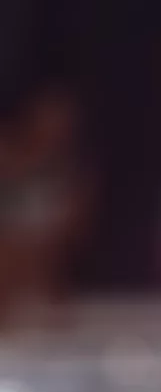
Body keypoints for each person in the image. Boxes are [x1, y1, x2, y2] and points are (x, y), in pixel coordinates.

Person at [0, 81, 94, 315]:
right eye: (50, 115)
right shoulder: (6, 155)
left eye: (66, 119)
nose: (58, 125)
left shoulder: (75, 175)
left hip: (44, 284)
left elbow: (71, 236)